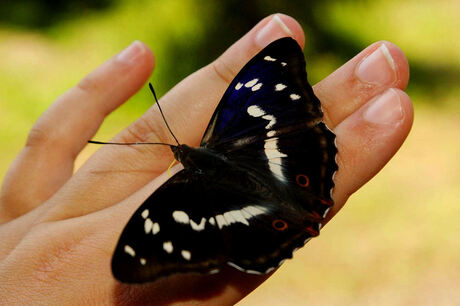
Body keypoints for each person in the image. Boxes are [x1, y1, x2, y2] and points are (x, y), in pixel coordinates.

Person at [0, 14, 412, 304]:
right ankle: (298, 203)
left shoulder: (167, 201)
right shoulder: (223, 132)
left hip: (263, 191)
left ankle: (290, 217)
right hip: (287, 164)